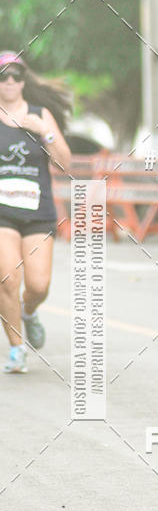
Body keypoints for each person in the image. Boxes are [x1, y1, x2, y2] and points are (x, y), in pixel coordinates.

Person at [0, 51, 71, 374]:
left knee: (39, 285)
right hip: (3, 213)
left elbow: (65, 165)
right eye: (4, 76)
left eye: (16, 75)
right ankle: (16, 349)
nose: (10, 81)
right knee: (7, 280)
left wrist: (46, 131)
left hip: (38, 211)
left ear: (24, 81)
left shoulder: (40, 114)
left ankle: (29, 312)